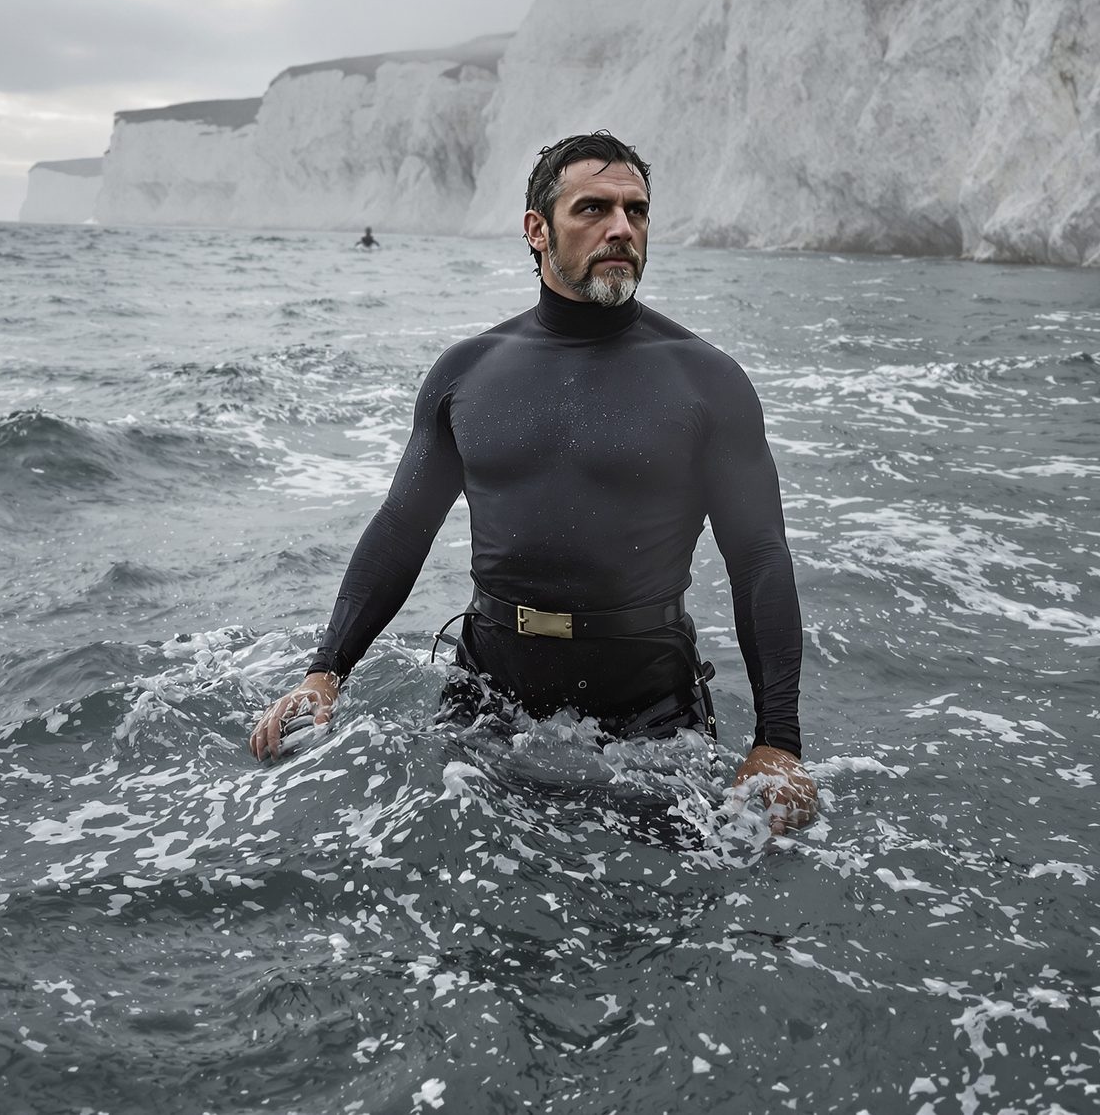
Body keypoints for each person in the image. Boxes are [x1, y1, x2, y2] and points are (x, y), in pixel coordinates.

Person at [252, 131, 817, 833]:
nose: (621, 228)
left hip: (649, 721)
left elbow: (759, 557)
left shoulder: (706, 380)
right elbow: (402, 529)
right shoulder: (468, 372)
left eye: (636, 211)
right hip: (485, 703)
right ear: (536, 229)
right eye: (593, 209)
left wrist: (777, 743)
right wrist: (323, 672)